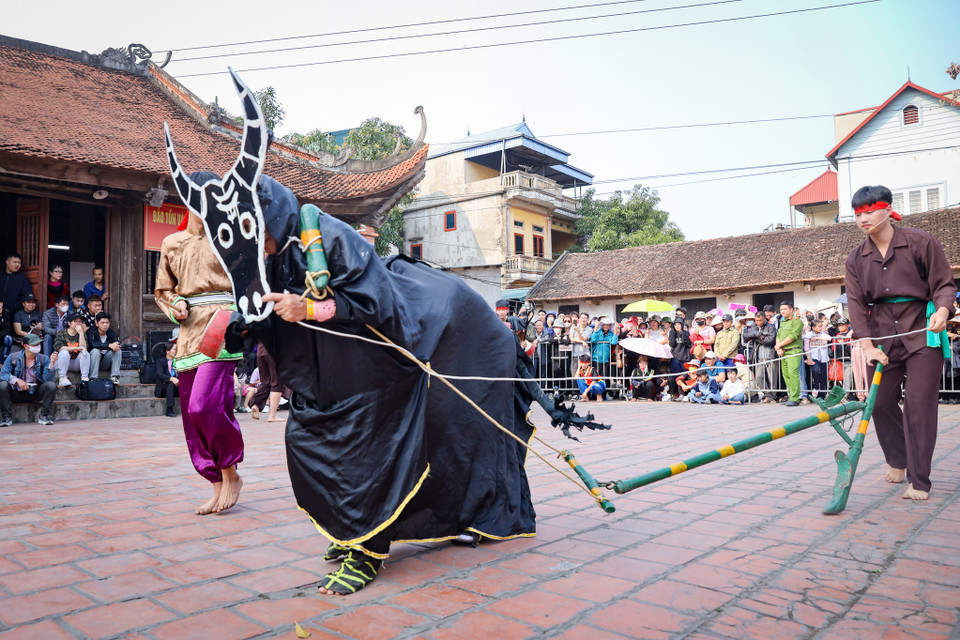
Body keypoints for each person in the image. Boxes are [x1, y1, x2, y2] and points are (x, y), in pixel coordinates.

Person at [845, 184, 956, 501]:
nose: (863, 219)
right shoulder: (857, 258)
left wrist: (944, 310)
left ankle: (919, 480)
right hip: (882, 337)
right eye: (858, 214)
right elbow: (855, 305)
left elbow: (944, 284)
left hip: (923, 332)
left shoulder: (921, 242)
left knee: (919, 408)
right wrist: (866, 345)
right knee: (878, 402)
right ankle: (897, 459)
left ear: (887, 209)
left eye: (869, 211)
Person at [155, 170, 245, 516]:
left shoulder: (230, 236)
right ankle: (216, 482)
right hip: (187, 331)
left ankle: (230, 471)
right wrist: (173, 305)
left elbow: (248, 278)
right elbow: (164, 290)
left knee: (203, 406)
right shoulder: (171, 243)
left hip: (222, 325)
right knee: (191, 418)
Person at [0, 333, 58, 426]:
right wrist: (17, 380)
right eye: (34, 344)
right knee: (2, 385)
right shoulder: (13, 357)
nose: (37, 346)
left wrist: (52, 363)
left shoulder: (44, 358)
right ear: (25, 346)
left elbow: (48, 380)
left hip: (35, 392)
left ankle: (44, 416)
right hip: (17, 392)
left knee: (51, 386)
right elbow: (3, 374)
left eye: (38, 344)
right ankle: (6, 417)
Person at [742, 311, 778, 403]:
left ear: (764, 319)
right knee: (759, 376)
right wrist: (757, 335)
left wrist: (755, 339)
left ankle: (772, 397)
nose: (759, 322)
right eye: (757, 320)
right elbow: (745, 337)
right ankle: (767, 395)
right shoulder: (754, 327)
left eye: (761, 320)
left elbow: (770, 340)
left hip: (770, 355)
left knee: (772, 378)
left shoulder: (771, 327)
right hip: (758, 356)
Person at [774, 301, 804, 406]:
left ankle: (795, 398)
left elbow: (793, 336)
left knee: (793, 374)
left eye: (785, 309)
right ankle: (791, 396)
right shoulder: (782, 322)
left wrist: (779, 345)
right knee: (786, 375)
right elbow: (778, 335)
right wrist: (778, 348)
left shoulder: (797, 321)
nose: (782, 311)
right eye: (781, 309)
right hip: (783, 352)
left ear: (791, 310)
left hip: (793, 350)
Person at [53, 311, 90, 387]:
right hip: (62, 362)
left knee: (85, 353)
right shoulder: (61, 333)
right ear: (69, 323)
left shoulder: (82, 333)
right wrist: (76, 348)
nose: (78, 323)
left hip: (76, 363)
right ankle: (62, 377)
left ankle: (84, 377)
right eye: (75, 321)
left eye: (79, 322)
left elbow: (83, 348)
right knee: (64, 352)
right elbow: (59, 348)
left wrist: (81, 334)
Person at [87, 311, 122, 384]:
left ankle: (114, 377)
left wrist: (116, 346)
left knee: (117, 350)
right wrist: (109, 345)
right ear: (97, 323)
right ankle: (93, 377)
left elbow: (116, 343)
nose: (105, 325)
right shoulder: (91, 331)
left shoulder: (111, 332)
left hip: (104, 362)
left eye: (107, 323)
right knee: (95, 351)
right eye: (102, 323)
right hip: (92, 362)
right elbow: (92, 344)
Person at [804, 318, 830, 399]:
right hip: (814, 357)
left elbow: (829, 338)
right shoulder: (808, 335)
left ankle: (823, 394)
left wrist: (817, 338)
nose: (820, 328)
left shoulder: (823, 333)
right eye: (819, 326)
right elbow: (806, 347)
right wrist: (809, 358)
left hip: (824, 358)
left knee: (823, 375)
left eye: (821, 326)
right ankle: (816, 388)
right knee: (815, 371)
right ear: (813, 327)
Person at [154, 342, 179, 418]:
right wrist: (171, 378)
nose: (176, 351)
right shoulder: (160, 361)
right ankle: (169, 409)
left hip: (177, 387)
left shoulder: (178, 361)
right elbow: (159, 374)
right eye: (174, 349)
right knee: (171, 384)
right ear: (167, 351)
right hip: (164, 388)